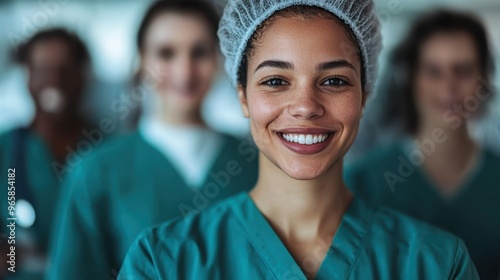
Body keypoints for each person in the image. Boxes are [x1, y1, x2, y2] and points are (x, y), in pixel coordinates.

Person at [118, 1, 480, 279]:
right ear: (242, 96)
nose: (305, 107)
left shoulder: (437, 263)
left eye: (334, 81)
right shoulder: (163, 262)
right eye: (275, 81)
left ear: (365, 96)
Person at [46, 1, 258, 279]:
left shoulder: (255, 162)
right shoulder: (95, 172)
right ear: (142, 61)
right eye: (165, 53)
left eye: (199, 52)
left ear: (220, 59)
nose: (184, 71)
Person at [344, 10, 500, 279]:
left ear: (483, 78)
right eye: (433, 71)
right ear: (411, 78)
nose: (449, 86)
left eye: (463, 70)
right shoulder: (362, 183)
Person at [0, 28, 93, 280]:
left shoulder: (110, 150)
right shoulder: (6, 149)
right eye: (42, 70)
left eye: (66, 70)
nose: (55, 81)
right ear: (27, 77)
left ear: (84, 76)